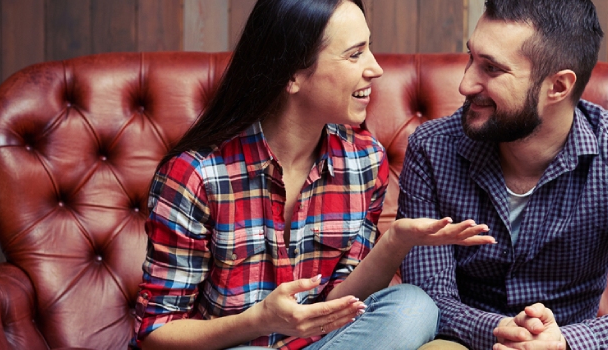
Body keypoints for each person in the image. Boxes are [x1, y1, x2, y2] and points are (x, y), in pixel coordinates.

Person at [132, 0, 497, 349]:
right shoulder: (194, 175)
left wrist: (394, 243)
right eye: (354, 54)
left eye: (369, 49)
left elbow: (337, 307)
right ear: (291, 75)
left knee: (414, 306)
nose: (375, 68)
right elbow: (156, 335)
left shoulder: (366, 161)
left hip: (326, 343)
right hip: (235, 345)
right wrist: (259, 320)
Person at [399, 0, 608, 349]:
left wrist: (563, 341)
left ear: (558, 86)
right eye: (471, 58)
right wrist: (503, 330)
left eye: (491, 69)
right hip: (469, 342)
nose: (465, 84)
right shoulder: (432, 148)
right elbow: (429, 298)